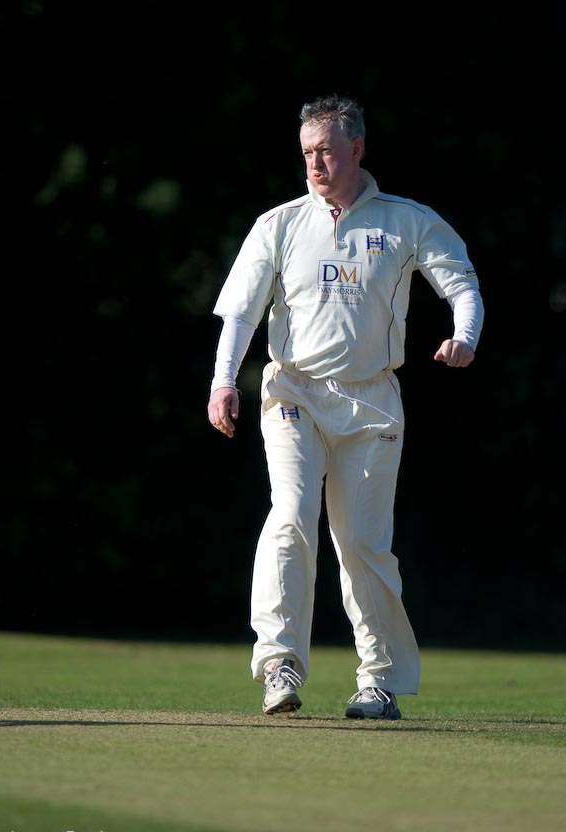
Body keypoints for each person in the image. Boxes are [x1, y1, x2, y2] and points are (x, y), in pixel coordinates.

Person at [207, 94, 484, 719]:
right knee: (291, 514)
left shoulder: (406, 220)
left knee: (362, 541)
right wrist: (223, 382)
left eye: (327, 151)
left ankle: (379, 681)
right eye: (307, 152)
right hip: (293, 393)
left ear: (357, 149)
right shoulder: (279, 224)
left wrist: (464, 336)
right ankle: (279, 663)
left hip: (372, 401)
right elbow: (241, 312)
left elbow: (461, 284)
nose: (315, 164)